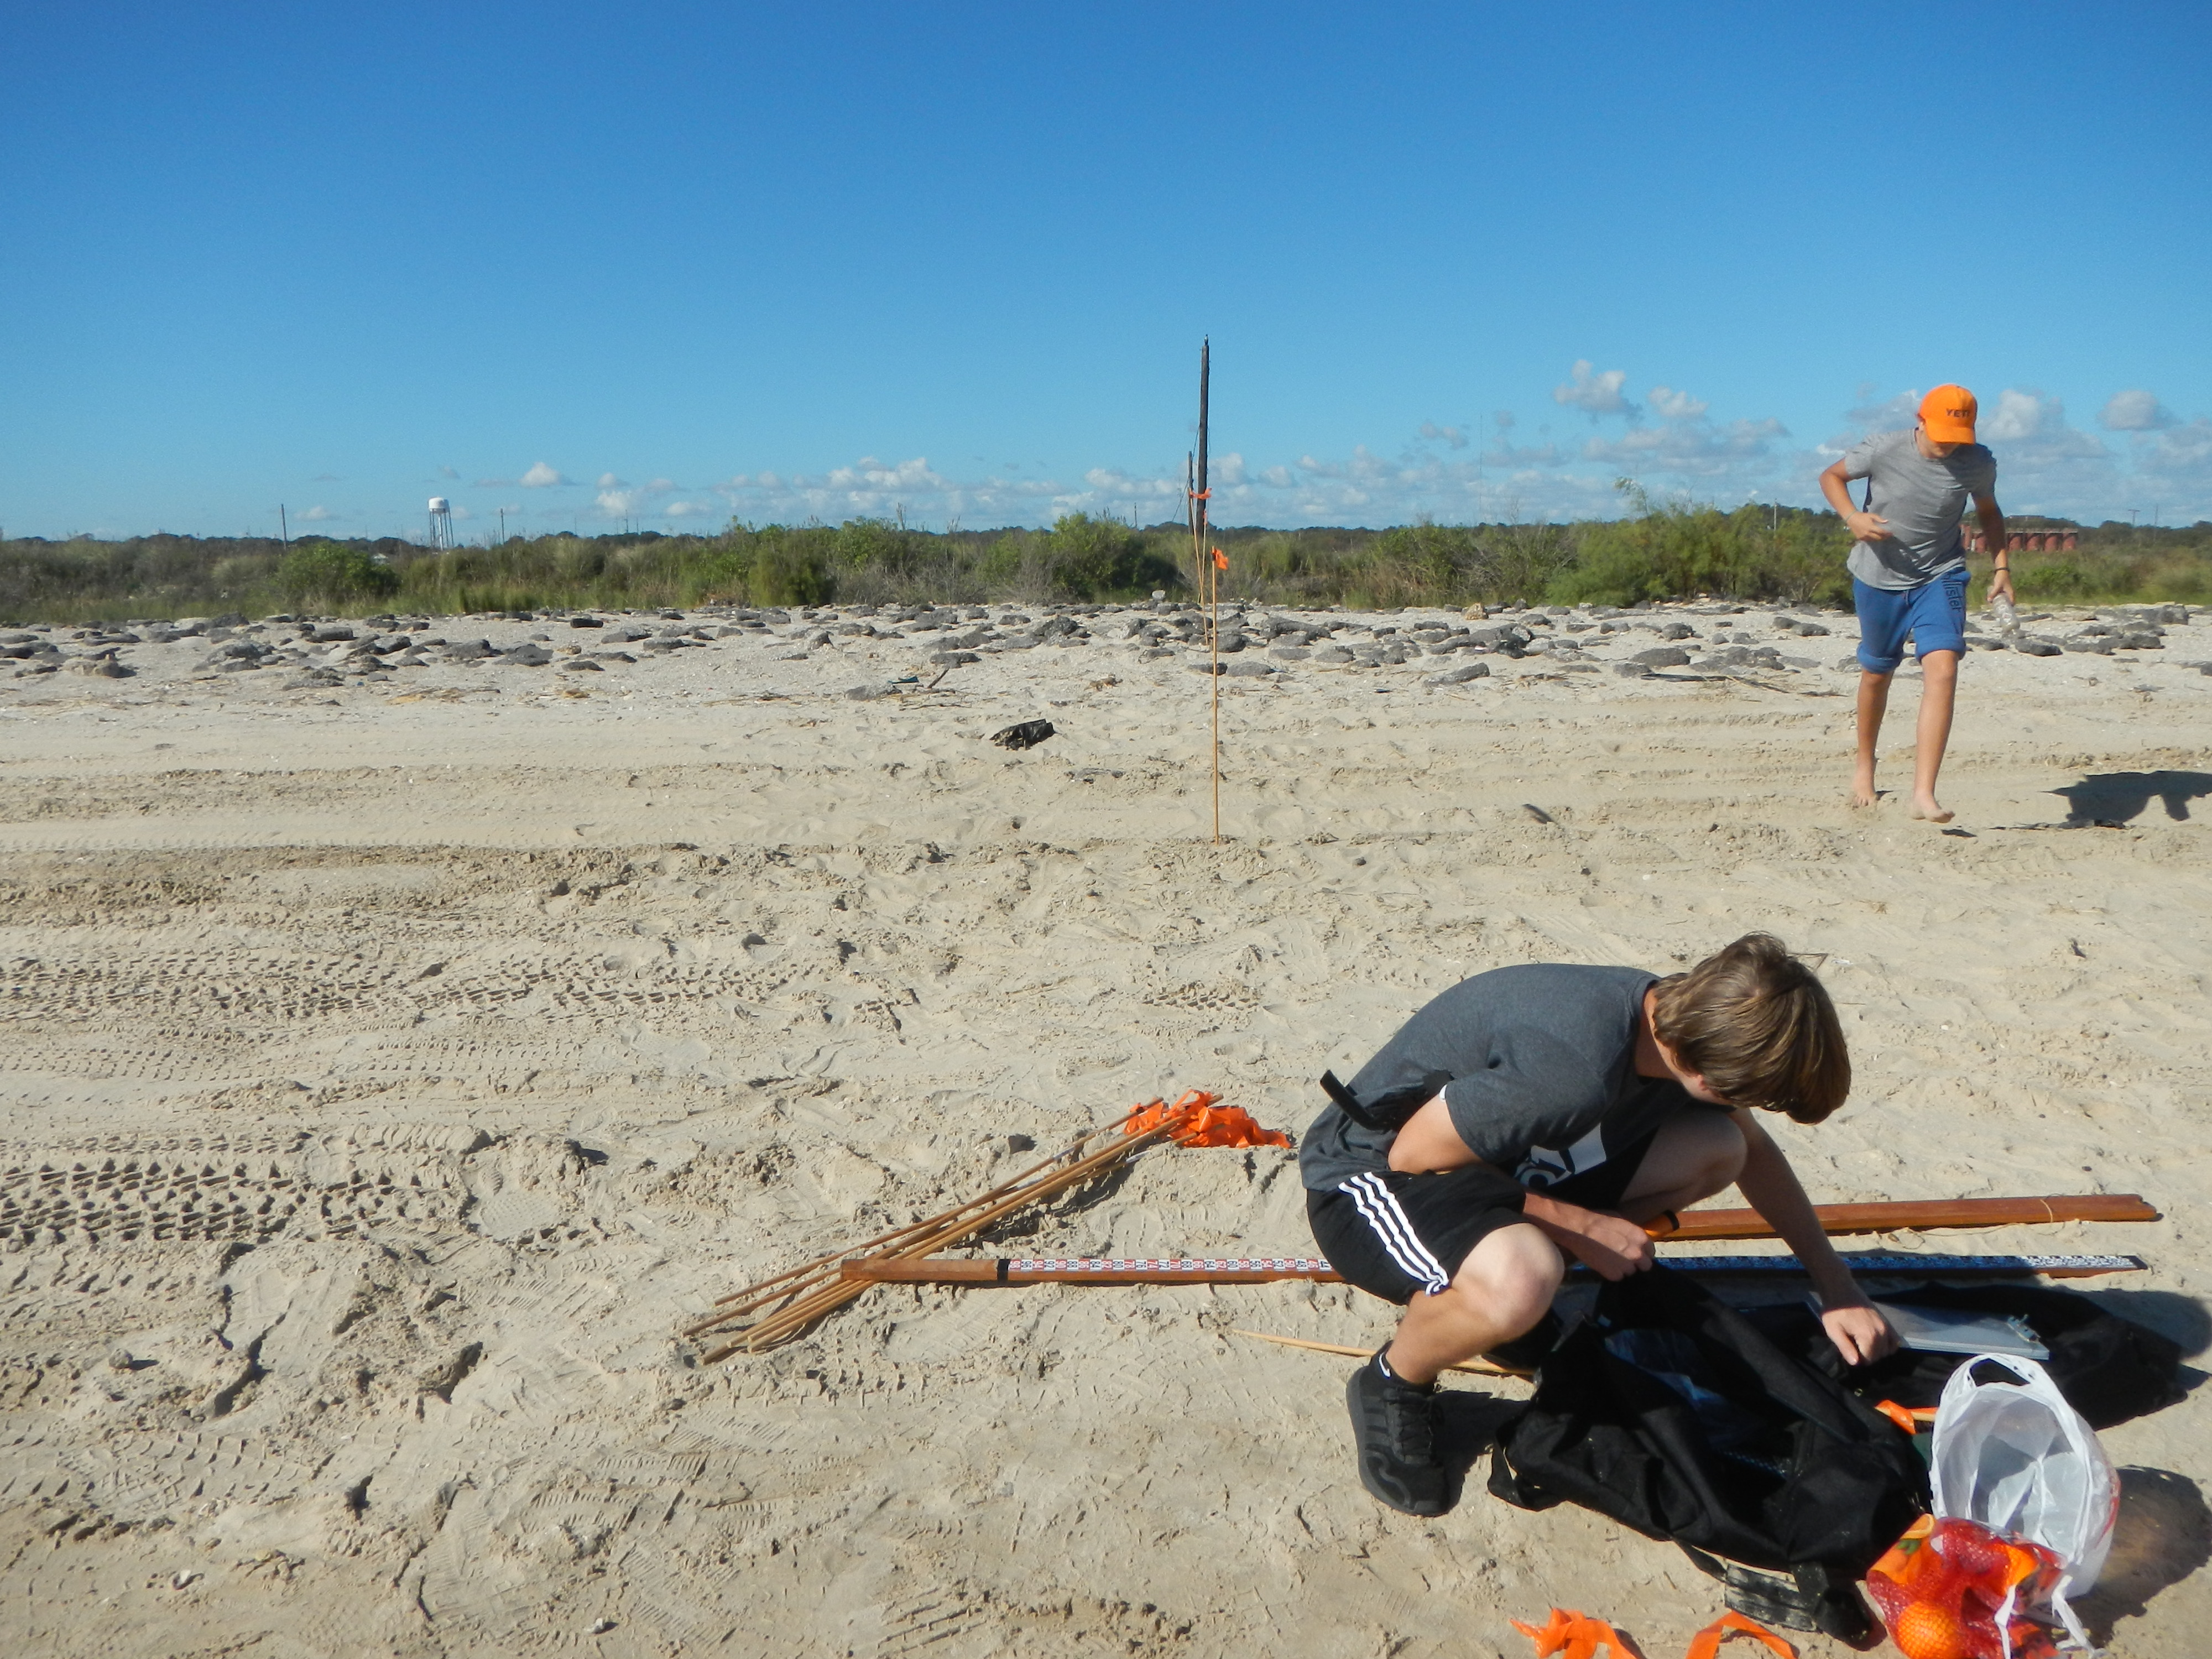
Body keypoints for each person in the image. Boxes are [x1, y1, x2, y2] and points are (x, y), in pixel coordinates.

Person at [1302, 935, 1898, 1517]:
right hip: (1371, 1179)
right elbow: (1415, 1156)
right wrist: (1578, 1224)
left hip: (1492, 1160)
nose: (1748, 1107)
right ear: (1706, 1076)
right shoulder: (1573, 1069)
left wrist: (1838, 1288)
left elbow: (1756, 1154)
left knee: (1719, 1145)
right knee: (1519, 1280)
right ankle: (1395, 1379)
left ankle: (1510, 1281)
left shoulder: (1682, 1017)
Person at [1819, 385, 2010, 824]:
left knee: (1943, 667)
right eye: (1940, 433)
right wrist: (1853, 518)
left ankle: (1924, 793)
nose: (1947, 444)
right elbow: (1831, 477)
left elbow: (1989, 513)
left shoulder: (1977, 461)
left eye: (1956, 435)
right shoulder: (1884, 450)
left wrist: (2002, 569)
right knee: (1876, 674)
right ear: (1920, 421)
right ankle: (1865, 764)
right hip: (1877, 577)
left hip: (1940, 575)